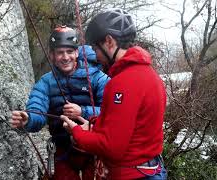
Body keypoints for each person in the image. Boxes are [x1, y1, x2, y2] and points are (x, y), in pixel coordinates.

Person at [61, 9, 167, 180]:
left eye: (95, 47)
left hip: (134, 175)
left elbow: (110, 147)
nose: (95, 54)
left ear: (109, 41)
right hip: (150, 170)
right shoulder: (149, 74)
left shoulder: (124, 82)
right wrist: (95, 124)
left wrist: (77, 132)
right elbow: (132, 126)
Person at [10, 26, 109, 180]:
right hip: (63, 149)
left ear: (77, 52)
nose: (65, 57)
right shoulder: (46, 82)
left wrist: (82, 111)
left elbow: (113, 113)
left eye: (69, 52)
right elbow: (37, 108)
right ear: (52, 55)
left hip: (94, 149)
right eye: (60, 52)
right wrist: (28, 119)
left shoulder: (98, 78)